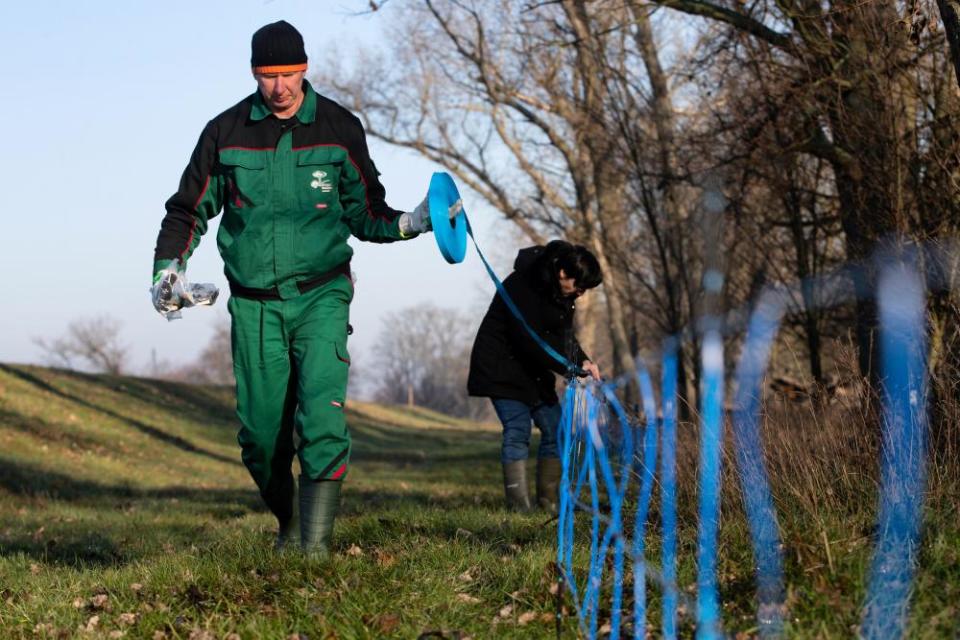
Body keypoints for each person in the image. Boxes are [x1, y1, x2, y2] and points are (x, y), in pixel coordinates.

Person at [150, 21, 442, 556]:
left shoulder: (337, 126)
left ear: (305, 69)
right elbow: (188, 208)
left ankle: (315, 553)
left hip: (321, 295)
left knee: (321, 420)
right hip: (256, 304)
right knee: (261, 441)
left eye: (288, 73)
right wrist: (168, 269)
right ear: (254, 74)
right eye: (267, 75)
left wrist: (414, 221)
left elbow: (366, 212)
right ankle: (289, 522)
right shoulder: (225, 131)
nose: (279, 86)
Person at [467, 240, 603, 511]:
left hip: (533, 371)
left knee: (556, 429)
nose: (581, 293)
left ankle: (547, 501)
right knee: (517, 431)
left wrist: (583, 360)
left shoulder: (563, 296)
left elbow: (563, 337)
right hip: (501, 369)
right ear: (563, 274)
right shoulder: (523, 285)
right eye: (580, 286)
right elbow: (530, 340)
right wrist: (569, 368)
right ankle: (519, 506)